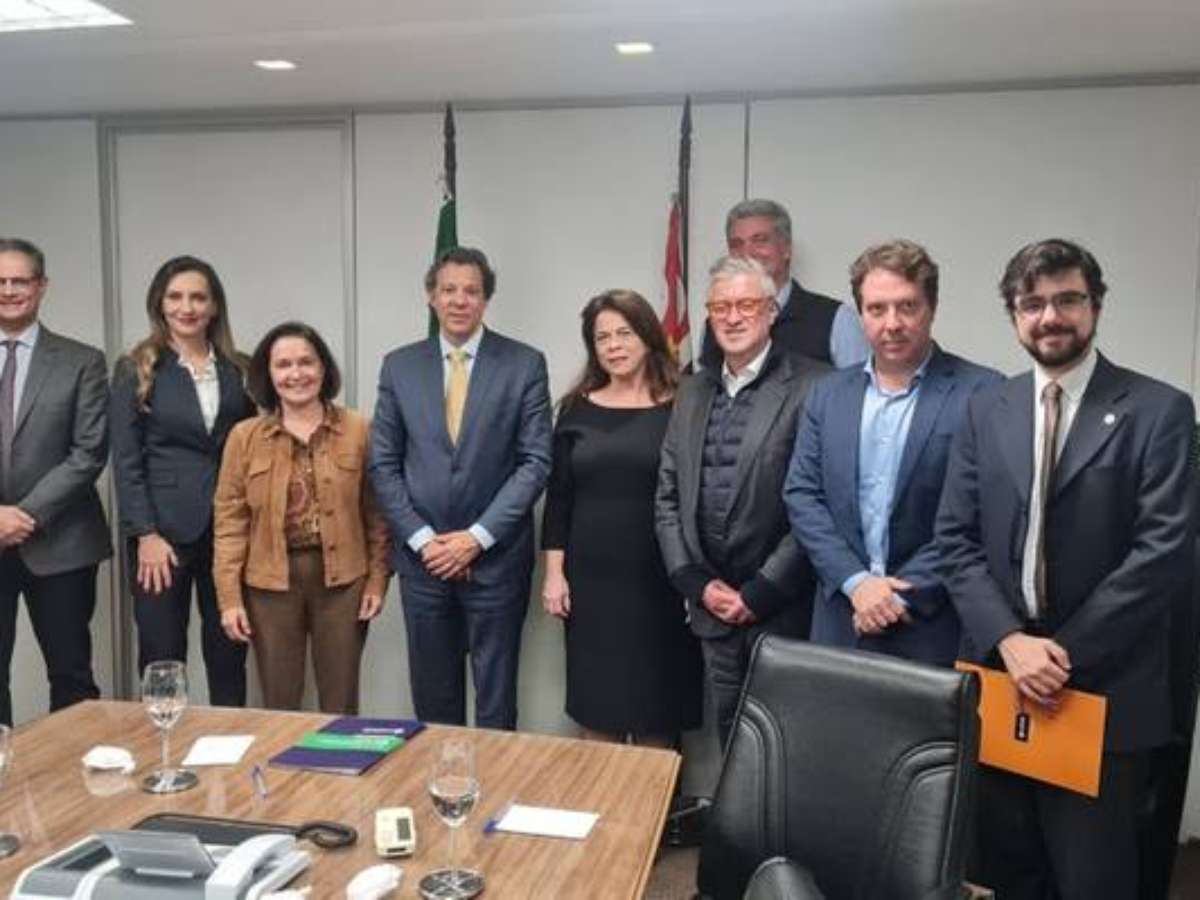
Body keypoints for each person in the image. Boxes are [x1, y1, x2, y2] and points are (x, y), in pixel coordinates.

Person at [935, 239, 1195, 900]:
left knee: (1092, 879)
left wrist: (1059, 656)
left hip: (1101, 689)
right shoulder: (988, 408)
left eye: (1067, 299)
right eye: (1033, 304)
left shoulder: (1159, 410)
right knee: (1005, 872)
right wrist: (1010, 642)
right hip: (1000, 682)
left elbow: (1162, 551)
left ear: (1095, 306)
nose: (1050, 316)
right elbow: (954, 539)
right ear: (1014, 316)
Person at [785, 240, 1001, 666]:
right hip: (841, 620)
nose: (892, 323)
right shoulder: (826, 394)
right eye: (877, 309)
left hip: (932, 625)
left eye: (907, 307)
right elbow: (802, 496)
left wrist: (897, 596)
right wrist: (856, 582)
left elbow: (983, 512)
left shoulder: (983, 392)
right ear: (860, 314)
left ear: (932, 308)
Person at [369, 247, 552, 730]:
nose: (459, 300)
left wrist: (476, 538)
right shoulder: (399, 367)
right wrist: (425, 541)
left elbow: (535, 462)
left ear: (486, 299)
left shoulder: (524, 364)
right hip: (423, 565)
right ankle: (438, 782)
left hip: (496, 562)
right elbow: (383, 465)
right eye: (448, 289)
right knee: (433, 704)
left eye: (471, 291)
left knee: (496, 704)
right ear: (431, 297)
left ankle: (495, 781)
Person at [656, 255, 826, 750]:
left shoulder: (815, 386)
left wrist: (762, 591)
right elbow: (668, 494)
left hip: (782, 609)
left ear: (772, 311)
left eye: (746, 305)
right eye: (720, 307)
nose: (732, 318)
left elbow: (818, 504)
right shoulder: (691, 390)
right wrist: (695, 582)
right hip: (712, 608)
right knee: (732, 742)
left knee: (787, 747)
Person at [541, 289, 703, 745]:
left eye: (624, 333)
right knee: (598, 709)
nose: (613, 345)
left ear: (648, 336)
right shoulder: (576, 408)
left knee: (658, 714)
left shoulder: (685, 404)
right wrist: (554, 575)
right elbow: (559, 499)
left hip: (663, 581)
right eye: (602, 337)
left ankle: (657, 797)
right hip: (592, 586)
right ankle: (603, 795)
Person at [214, 322, 391, 714]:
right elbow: (230, 524)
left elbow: (378, 515)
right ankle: (284, 759)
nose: (296, 374)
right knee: (279, 699)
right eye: (283, 365)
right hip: (269, 583)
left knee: (341, 700)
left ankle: (340, 758)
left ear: (323, 368)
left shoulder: (359, 430)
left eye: (306, 362)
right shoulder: (244, 437)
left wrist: (377, 580)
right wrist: (229, 600)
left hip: (343, 581)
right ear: (268, 374)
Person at [109, 256, 253, 706]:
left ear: (214, 306)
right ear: (160, 303)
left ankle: (230, 742)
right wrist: (145, 534)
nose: (186, 307)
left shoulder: (240, 369)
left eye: (198, 297)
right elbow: (126, 461)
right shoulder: (137, 367)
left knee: (229, 651)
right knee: (162, 652)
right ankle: (163, 743)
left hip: (228, 532)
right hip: (162, 537)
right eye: (175, 297)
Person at [0, 237, 110, 726]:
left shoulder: (81, 360)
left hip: (62, 542)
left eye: (19, 280)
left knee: (71, 677)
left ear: (41, 286)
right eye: (0, 281)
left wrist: (24, 515)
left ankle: (72, 773)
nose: (8, 290)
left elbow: (89, 453)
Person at [698, 199, 868, 370]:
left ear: (787, 249)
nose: (747, 253)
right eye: (737, 244)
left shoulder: (836, 320)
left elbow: (858, 384)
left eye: (760, 240)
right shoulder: (716, 326)